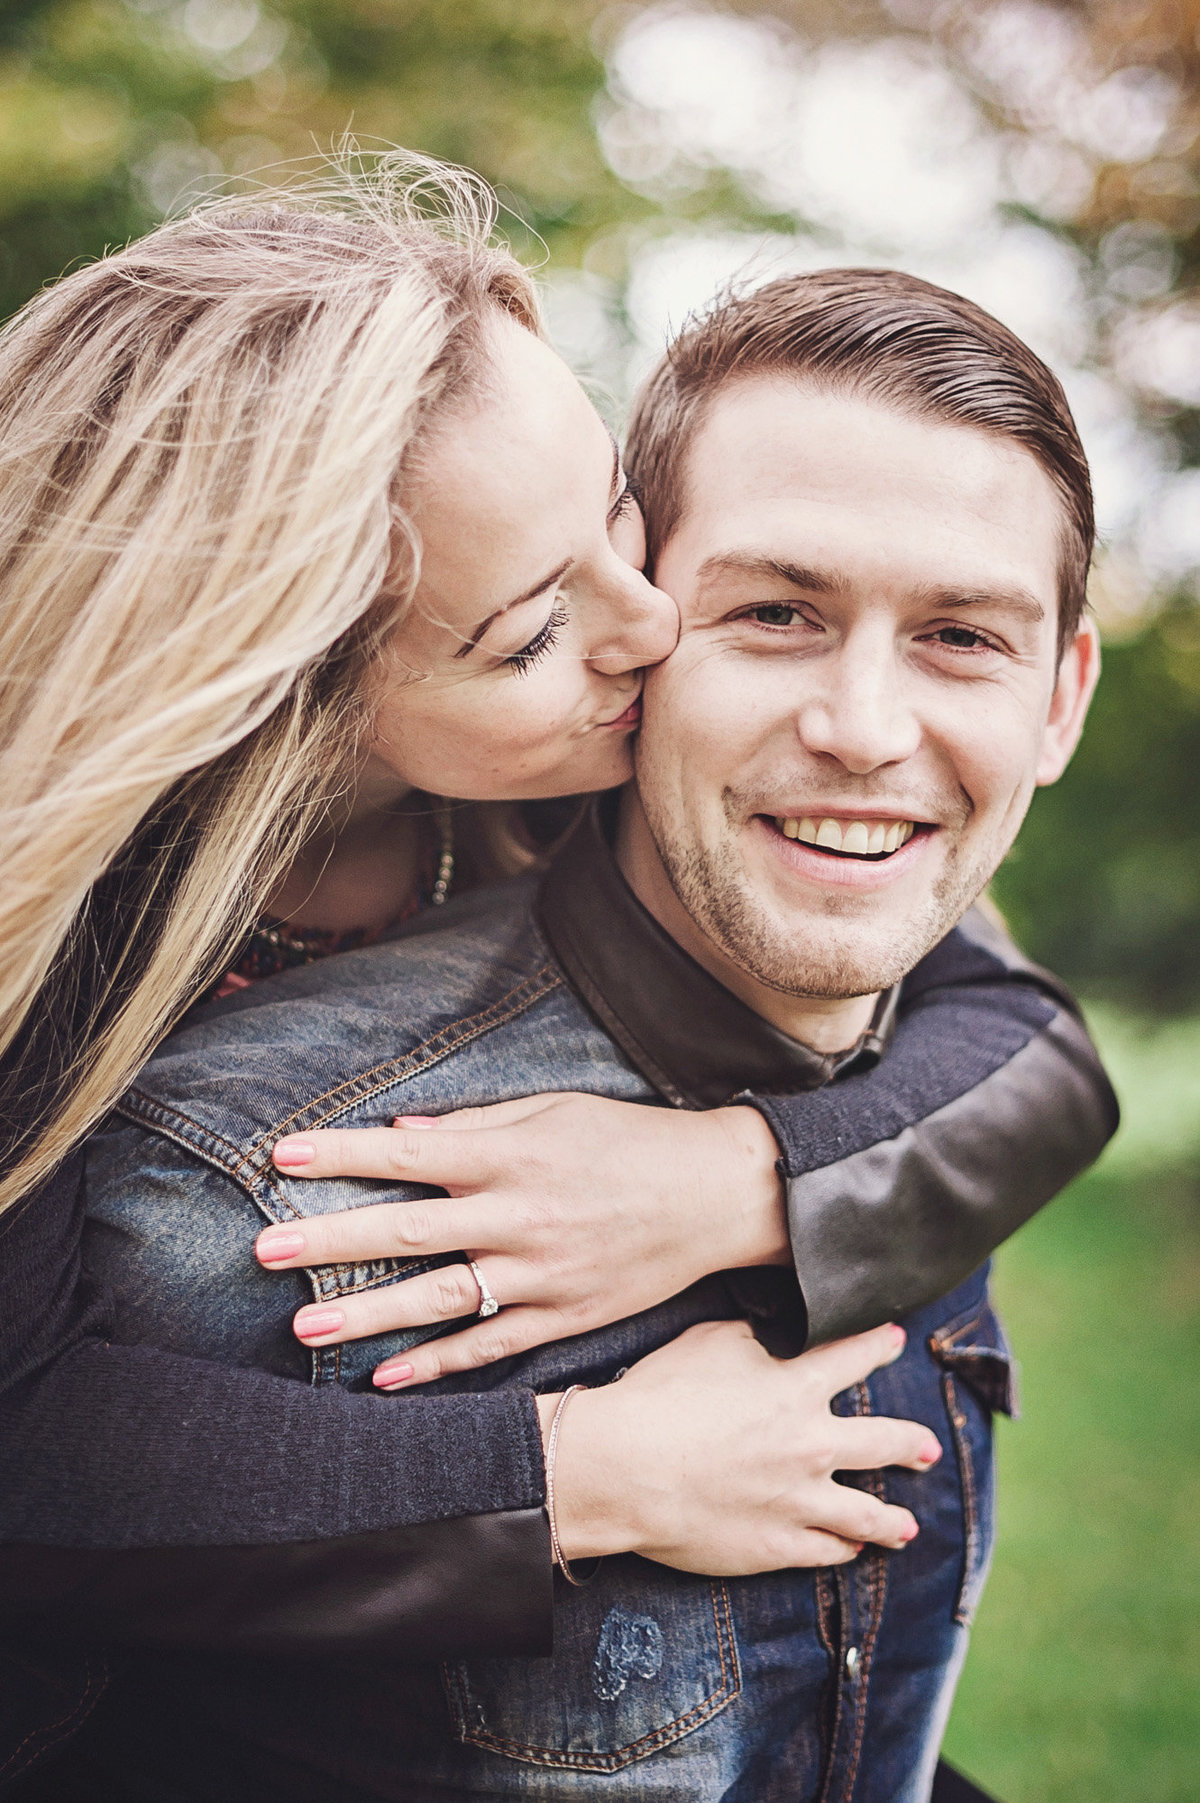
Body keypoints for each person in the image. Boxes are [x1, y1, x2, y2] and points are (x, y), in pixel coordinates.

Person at [0, 163, 1112, 1791]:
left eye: (615, 516)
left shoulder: (616, 774)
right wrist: (576, 1473)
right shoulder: (64, 947)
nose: (658, 624)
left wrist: (743, 1185)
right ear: (275, 691)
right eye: (527, 632)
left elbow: (1032, 1051)